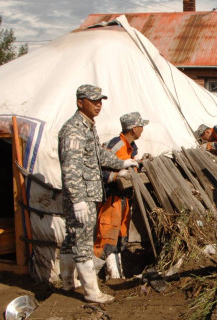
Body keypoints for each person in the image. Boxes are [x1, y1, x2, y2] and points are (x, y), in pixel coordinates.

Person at [58, 84, 138, 303]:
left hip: (89, 195)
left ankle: (67, 282)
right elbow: (70, 168)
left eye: (100, 101)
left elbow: (98, 156)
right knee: (83, 241)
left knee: (71, 238)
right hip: (81, 197)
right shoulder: (74, 129)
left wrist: (122, 162)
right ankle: (92, 292)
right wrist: (78, 201)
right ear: (79, 102)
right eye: (93, 101)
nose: (98, 105)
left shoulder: (88, 127)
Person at [94, 112, 149, 280]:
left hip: (123, 199)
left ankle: (115, 276)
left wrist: (139, 164)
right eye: (141, 126)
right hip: (112, 199)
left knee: (119, 239)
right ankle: (86, 279)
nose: (143, 130)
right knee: (106, 240)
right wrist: (117, 176)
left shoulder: (129, 147)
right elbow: (97, 169)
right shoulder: (116, 146)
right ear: (134, 128)